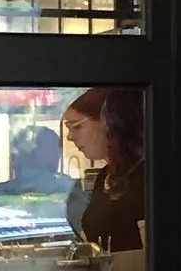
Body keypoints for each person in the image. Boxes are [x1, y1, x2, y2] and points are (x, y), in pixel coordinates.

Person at [62, 87, 145, 254]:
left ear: (108, 123)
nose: (69, 137)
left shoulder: (143, 179)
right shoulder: (105, 176)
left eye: (77, 127)